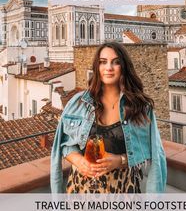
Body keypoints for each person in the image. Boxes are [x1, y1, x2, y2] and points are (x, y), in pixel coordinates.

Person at [50, 42, 167, 193]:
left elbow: (153, 155)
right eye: (103, 62)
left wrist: (120, 161)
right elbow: (64, 144)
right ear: (97, 67)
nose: (109, 68)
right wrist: (79, 161)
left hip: (123, 191)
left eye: (116, 62)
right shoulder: (78, 103)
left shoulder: (140, 107)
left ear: (124, 67)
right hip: (81, 191)